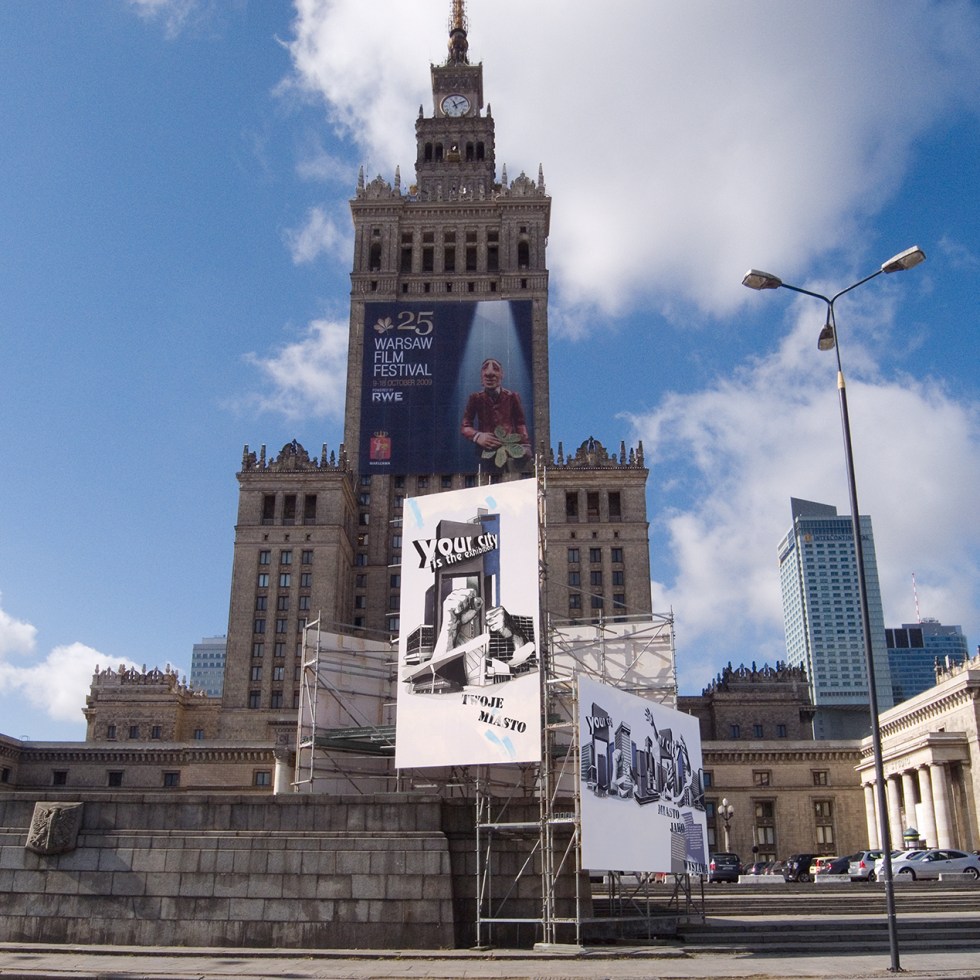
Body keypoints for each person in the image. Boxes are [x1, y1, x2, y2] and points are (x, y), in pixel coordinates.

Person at [460, 358, 531, 456]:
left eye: (496, 369)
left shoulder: (512, 397)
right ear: (481, 376)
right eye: (485, 369)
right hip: (485, 451)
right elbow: (465, 426)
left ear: (502, 375)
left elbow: (520, 423)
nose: (489, 374)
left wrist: (525, 445)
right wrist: (478, 436)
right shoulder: (475, 398)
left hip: (509, 450)